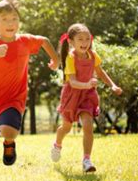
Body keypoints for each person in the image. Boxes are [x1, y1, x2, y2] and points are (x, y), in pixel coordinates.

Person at [0, 0, 60, 181]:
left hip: (13, 99)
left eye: (14, 18)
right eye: (5, 19)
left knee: (8, 130)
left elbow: (44, 41)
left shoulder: (24, 41)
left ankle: (9, 142)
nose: (11, 23)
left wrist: (56, 60)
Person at [51, 23, 122, 172]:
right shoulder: (70, 58)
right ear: (71, 42)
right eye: (80, 39)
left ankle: (86, 160)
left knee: (88, 125)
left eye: (87, 39)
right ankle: (57, 144)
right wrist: (88, 83)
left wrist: (112, 85)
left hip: (87, 95)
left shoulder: (93, 55)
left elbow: (101, 72)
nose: (84, 43)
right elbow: (73, 82)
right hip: (72, 95)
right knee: (66, 127)